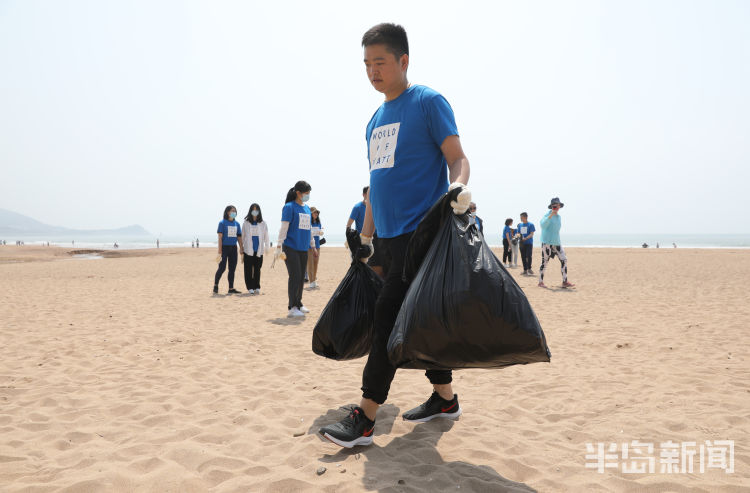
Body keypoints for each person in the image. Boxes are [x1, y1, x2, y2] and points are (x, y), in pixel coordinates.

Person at [319, 23, 472, 449]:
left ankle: (366, 417)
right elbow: (375, 185)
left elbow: (457, 159)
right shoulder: (374, 120)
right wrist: (365, 240)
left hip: (420, 234)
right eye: (366, 64)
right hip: (386, 239)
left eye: (380, 62)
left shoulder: (427, 102)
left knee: (387, 319)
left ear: (403, 61)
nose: (372, 71)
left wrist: (457, 189)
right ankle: (445, 400)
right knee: (418, 320)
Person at [274, 181, 317, 318]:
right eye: (306, 193)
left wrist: (313, 246)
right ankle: (292, 307)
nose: (308, 195)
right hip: (290, 247)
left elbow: (309, 229)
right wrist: (279, 246)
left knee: (301, 278)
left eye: (309, 193)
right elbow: (284, 227)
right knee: (295, 276)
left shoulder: (306, 208)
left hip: (303, 248)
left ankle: (298, 303)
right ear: (298, 193)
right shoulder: (289, 207)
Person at [538, 197, 575, 288]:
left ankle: (564, 281)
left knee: (564, 260)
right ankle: (540, 282)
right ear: (551, 206)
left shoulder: (559, 217)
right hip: (547, 242)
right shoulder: (547, 215)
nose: (556, 207)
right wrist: (551, 215)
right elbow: (542, 225)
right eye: (555, 205)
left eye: (558, 205)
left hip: (557, 243)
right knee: (545, 262)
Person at [214, 205, 243, 294]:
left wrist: (241, 248)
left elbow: (239, 237)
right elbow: (220, 238)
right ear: (227, 212)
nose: (234, 213)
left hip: (233, 248)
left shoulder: (237, 224)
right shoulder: (222, 223)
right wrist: (219, 251)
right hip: (224, 248)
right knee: (222, 268)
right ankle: (215, 285)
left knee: (232, 269)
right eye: (232, 211)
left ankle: (231, 288)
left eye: (235, 211)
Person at [242, 203, 270, 295]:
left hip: (259, 250)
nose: (255, 211)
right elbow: (243, 236)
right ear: (250, 211)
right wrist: (241, 248)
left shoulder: (263, 223)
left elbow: (266, 236)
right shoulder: (246, 223)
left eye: (256, 209)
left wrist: (267, 247)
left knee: (258, 269)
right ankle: (249, 287)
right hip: (248, 250)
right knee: (248, 269)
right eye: (253, 209)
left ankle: (256, 286)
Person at [307, 207, 323, 289]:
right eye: (314, 212)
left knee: (316, 263)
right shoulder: (307, 223)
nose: (316, 214)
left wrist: (321, 232)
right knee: (310, 263)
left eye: (317, 213)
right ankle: (311, 281)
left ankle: (314, 279)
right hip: (309, 246)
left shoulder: (318, 222)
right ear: (311, 214)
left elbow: (320, 231)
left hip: (317, 245)